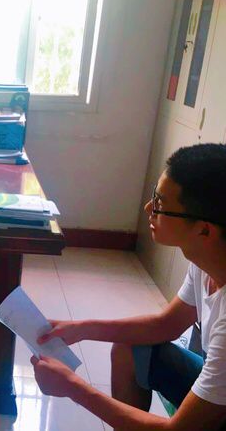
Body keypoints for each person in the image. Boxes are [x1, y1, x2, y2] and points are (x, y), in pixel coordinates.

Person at [32, 143, 226, 430]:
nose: (149, 208)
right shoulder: (206, 258)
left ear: (204, 229)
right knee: (129, 346)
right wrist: (80, 329)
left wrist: (73, 387)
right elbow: (166, 325)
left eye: (160, 204)